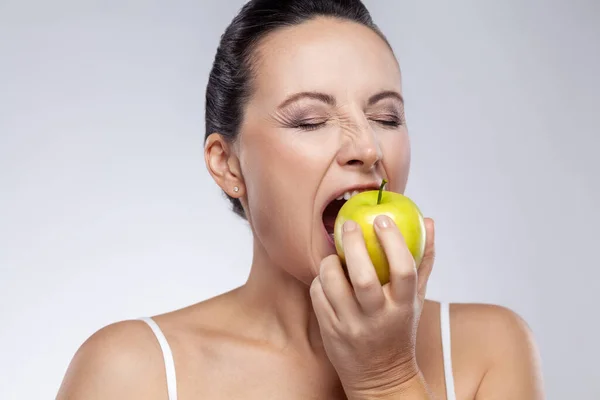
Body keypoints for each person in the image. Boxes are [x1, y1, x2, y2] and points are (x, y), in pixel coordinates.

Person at [56, 1, 545, 399]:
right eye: (310, 121)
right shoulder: (131, 374)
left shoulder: (490, 349)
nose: (368, 148)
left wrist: (388, 379)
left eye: (387, 118)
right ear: (228, 165)